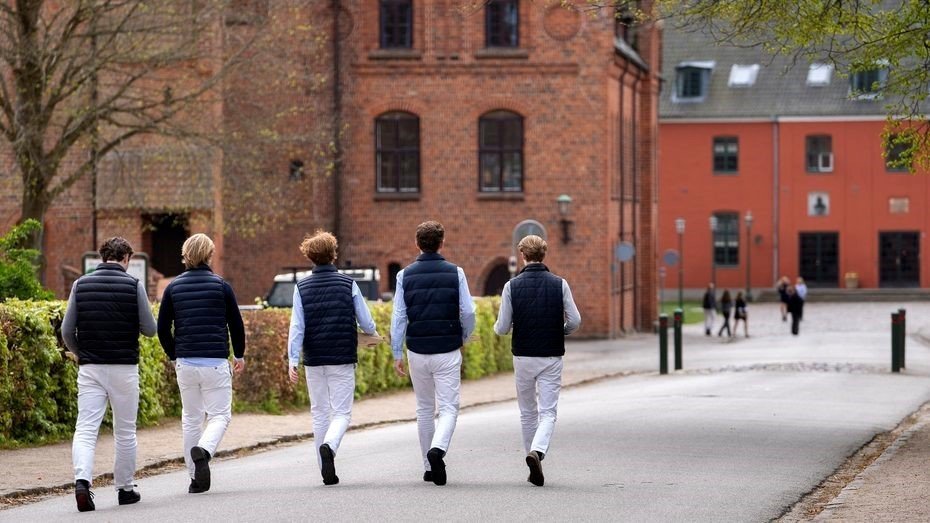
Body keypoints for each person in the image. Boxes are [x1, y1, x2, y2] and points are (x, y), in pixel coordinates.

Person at [61, 237, 157, 512]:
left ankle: (82, 482)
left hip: (91, 368)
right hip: (124, 367)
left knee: (86, 427)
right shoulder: (133, 285)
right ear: (126, 258)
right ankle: (125, 489)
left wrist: (82, 352)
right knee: (125, 430)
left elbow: (67, 332)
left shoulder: (80, 285)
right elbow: (150, 329)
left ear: (103, 257)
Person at [286, 231, 379, 485]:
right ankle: (330, 445)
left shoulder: (301, 287)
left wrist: (292, 360)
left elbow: (297, 327)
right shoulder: (348, 284)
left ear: (310, 257)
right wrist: (373, 334)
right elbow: (366, 320)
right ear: (333, 254)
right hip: (342, 357)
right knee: (341, 413)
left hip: (314, 358)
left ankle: (324, 467)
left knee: (319, 413)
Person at [157, 234, 246, 494]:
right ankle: (204, 450)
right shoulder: (221, 286)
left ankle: (195, 479)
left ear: (185, 256)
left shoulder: (173, 288)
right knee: (220, 415)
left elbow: (163, 328)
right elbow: (236, 324)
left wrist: (174, 355)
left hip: (185, 362)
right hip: (215, 362)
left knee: (190, 418)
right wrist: (238, 355)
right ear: (209, 255)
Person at [391, 221, 476, 486]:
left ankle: (428, 467)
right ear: (442, 243)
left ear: (417, 244)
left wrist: (396, 351)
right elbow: (469, 311)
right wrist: (463, 336)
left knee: (424, 408)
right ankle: (437, 449)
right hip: (447, 350)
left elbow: (398, 317)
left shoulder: (404, 276)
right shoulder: (456, 273)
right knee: (449, 407)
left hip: (417, 350)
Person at [493, 235, 581, 487]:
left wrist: (497, 329)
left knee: (527, 412)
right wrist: (560, 330)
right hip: (551, 354)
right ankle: (538, 452)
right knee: (548, 412)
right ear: (544, 255)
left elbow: (502, 327)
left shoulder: (512, 286)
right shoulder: (560, 284)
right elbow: (575, 320)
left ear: (523, 255)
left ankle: (532, 459)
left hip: (523, 355)